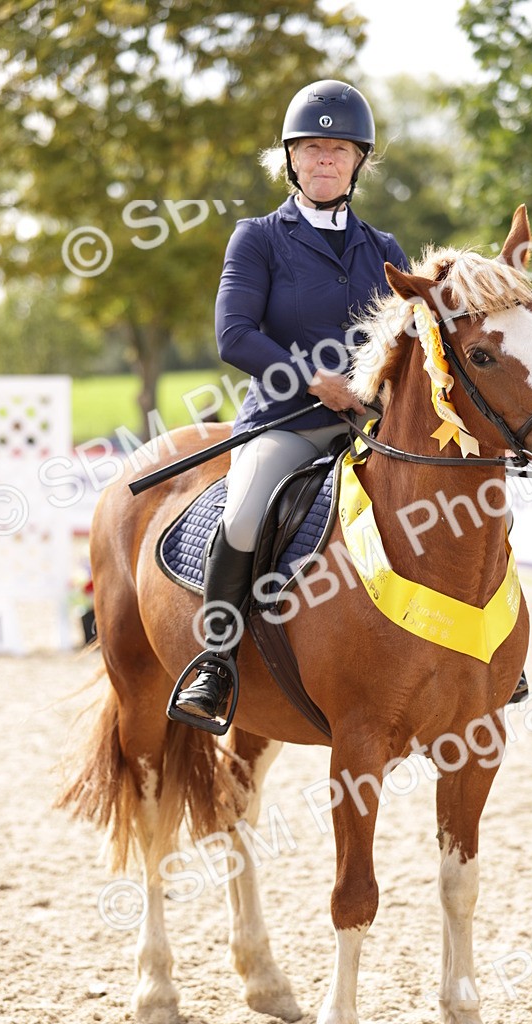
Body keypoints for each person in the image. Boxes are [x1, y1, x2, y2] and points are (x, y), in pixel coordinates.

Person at [173, 80, 409, 726]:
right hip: (286, 425)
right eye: (313, 148)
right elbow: (235, 335)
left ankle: (487, 648)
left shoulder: (385, 250)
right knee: (245, 514)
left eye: (338, 149)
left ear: (359, 160)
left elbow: (409, 340)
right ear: (291, 159)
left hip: (370, 427)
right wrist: (315, 379)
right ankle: (216, 664)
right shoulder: (258, 239)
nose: (325, 160)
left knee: (453, 494)